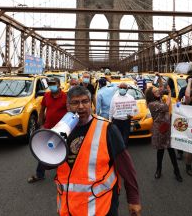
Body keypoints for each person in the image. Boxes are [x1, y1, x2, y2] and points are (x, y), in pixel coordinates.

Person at [51, 86, 141, 216]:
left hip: (101, 208)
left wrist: (133, 199)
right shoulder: (60, 130)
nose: (81, 106)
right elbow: (47, 164)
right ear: (68, 106)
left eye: (85, 101)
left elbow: (126, 167)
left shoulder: (107, 129)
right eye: (75, 102)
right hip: (68, 207)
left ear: (91, 104)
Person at [28, 78, 67, 183]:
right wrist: (40, 124)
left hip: (62, 129)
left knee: (62, 151)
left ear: (59, 85)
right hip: (48, 128)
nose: (52, 86)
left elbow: (70, 113)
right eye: (50, 85)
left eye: (54, 84)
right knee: (44, 151)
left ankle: (63, 175)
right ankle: (39, 174)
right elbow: (42, 110)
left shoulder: (65, 97)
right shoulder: (46, 96)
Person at [145, 85, 183, 182]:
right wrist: (170, 93)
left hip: (167, 127)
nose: (158, 92)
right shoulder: (152, 104)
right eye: (155, 91)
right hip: (159, 130)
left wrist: (166, 89)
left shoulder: (158, 98)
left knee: (171, 151)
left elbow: (162, 91)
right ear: (151, 95)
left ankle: (176, 171)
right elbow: (166, 107)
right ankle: (158, 169)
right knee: (160, 151)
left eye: (157, 90)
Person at [109, 82, 135, 147]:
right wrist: (109, 120)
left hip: (126, 121)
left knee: (125, 138)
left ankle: (124, 151)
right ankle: (117, 151)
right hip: (116, 121)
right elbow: (111, 109)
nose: (122, 89)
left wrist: (132, 114)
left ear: (127, 89)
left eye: (124, 88)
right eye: (121, 87)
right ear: (118, 88)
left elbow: (134, 109)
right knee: (116, 138)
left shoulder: (131, 98)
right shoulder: (114, 98)